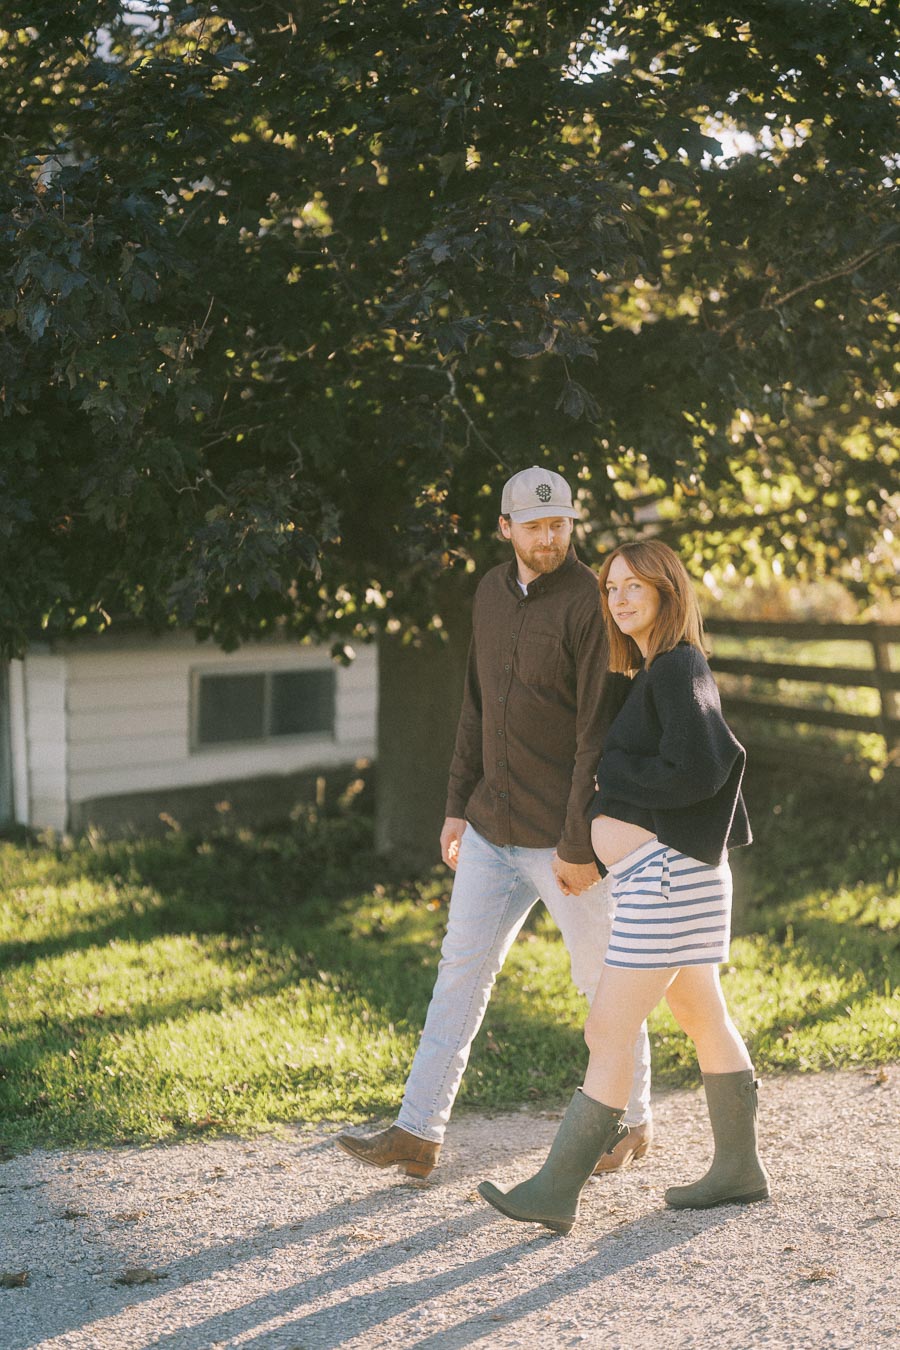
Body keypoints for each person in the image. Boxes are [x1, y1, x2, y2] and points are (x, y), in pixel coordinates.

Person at [336, 467, 654, 1179]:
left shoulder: (589, 604)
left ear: (573, 524)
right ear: (505, 528)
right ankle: (418, 1132)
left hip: (562, 839)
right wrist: (456, 803)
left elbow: (592, 738)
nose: (550, 536)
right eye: (535, 524)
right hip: (489, 827)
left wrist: (578, 845)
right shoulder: (486, 594)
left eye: (561, 523)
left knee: (602, 979)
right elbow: (476, 705)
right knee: (459, 973)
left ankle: (632, 1120)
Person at [478, 538, 768, 1234]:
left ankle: (556, 1189)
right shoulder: (656, 671)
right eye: (612, 589)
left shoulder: (677, 666)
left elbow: (705, 766)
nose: (621, 599)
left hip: (665, 877)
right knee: (702, 1017)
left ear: (669, 592)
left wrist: (614, 783)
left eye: (637, 586)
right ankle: (738, 1167)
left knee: (608, 1025)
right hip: (666, 877)